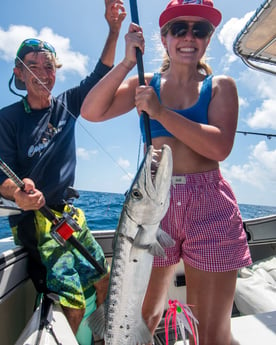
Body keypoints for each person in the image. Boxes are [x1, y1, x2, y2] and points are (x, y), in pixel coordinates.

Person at [80, 1, 253, 344]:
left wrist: (160, 112)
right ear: (164, 36)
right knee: (140, 317)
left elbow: (219, 148)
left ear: (208, 38)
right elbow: (91, 111)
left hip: (209, 205)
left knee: (210, 332)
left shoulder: (221, 86)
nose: (189, 37)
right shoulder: (144, 82)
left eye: (199, 30)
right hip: (151, 209)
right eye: (179, 29)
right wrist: (129, 60)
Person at [0, 0, 126, 342]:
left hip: (69, 217)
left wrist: (114, 31)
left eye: (49, 66)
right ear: (18, 73)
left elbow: (101, 75)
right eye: (33, 66)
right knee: (70, 304)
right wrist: (18, 193)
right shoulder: (7, 119)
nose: (43, 74)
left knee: (104, 280)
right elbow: (2, 181)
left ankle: (100, 340)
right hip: (35, 223)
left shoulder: (67, 104)